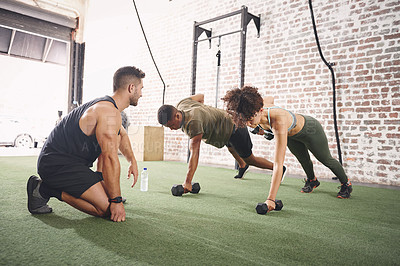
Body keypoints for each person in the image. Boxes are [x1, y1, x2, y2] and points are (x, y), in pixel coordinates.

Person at [27, 66, 145, 222]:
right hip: (55, 165)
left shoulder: (109, 107)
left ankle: (99, 188)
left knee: (112, 138)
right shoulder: (107, 110)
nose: (142, 94)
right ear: (131, 88)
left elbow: (121, 135)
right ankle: (44, 188)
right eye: (141, 89)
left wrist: (132, 161)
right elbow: (110, 158)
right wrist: (115, 200)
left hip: (71, 164)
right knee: (107, 209)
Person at [222, 86, 352, 212]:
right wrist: (261, 129)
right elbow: (269, 98)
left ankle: (346, 184)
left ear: (261, 110)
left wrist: (271, 199)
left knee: (325, 159)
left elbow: (278, 164)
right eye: (245, 121)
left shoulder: (278, 122)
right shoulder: (257, 107)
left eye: (250, 120)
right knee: (303, 160)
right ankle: (312, 180)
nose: (248, 124)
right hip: (292, 135)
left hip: (311, 130)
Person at [157, 94, 287, 193]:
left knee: (251, 159)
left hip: (235, 127)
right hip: (224, 129)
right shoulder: (182, 104)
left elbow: (194, 154)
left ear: (177, 117)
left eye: (170, 125)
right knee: (231, 148)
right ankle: (242, 165)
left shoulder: (193, 123)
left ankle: (279, 169)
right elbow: (200, 97)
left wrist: (187, 182)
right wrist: (206, 113)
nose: (171, 128)